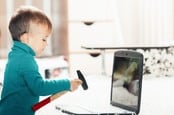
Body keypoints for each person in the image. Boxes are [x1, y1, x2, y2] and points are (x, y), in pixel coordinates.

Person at [0, 6, 82, 115]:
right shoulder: (26, 60)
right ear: (26, 38)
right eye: (44, 39)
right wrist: (67, 83)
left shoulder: (15, 55)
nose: (46, 43)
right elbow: (39, 87)